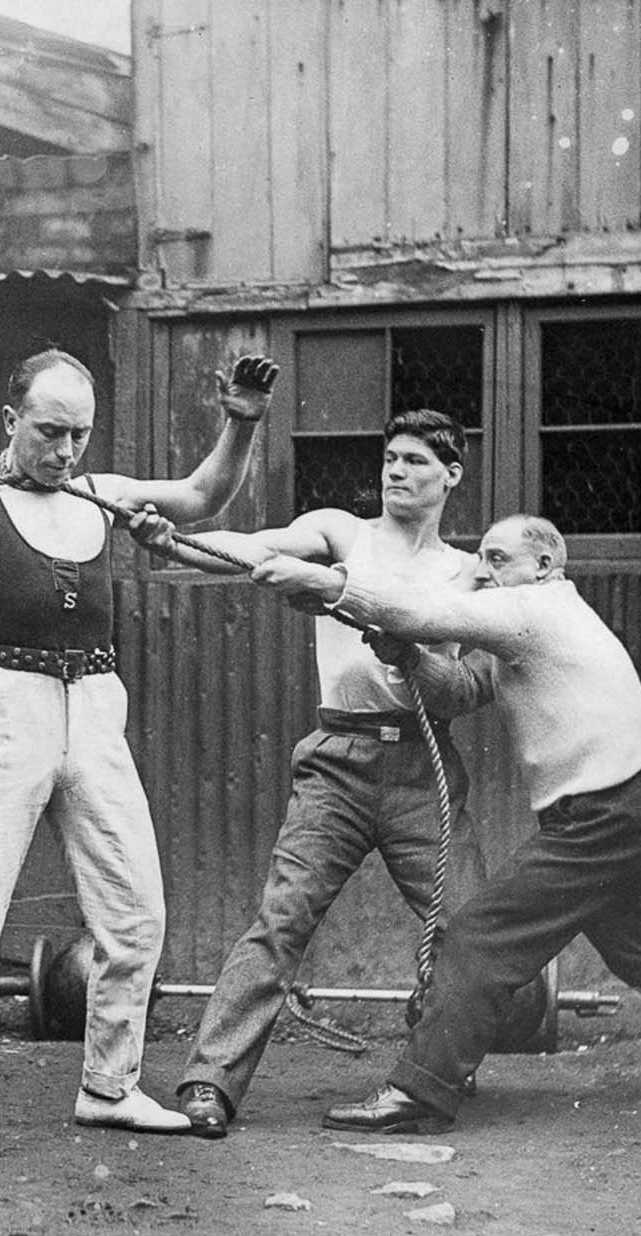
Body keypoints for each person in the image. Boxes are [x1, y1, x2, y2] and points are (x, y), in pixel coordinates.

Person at [0, 309, 277, 1150]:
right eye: (50, 432)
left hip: (98, 707)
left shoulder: (100, 496)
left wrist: (240, 425)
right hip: (9, 702)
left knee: (136, 911)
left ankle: (110, 1084)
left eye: (80, 435)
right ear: (11, 421)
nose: (67, 452)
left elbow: (205, 496)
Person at [246, 513, 641, 1133]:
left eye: (499, 559)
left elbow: (418, 612)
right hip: (630, 812)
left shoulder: (532, 609)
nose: (484, 570)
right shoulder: (530, 624)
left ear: (545, 565)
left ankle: (421, 1092)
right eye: (482, 558)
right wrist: (412, 660)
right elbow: (459, 690)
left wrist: (330, 585)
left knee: (477, 934)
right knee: (640, 956)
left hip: (600, 818)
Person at [130, 409, 488, 1138]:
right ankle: (208, 1084)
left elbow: (466, 686)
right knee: (281, 922)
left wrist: (417, 657)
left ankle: (437, 1065)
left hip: (424, 771)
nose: (396, 471)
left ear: (451, 476)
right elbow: (251, 547)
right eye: (390, 457)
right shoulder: (340, 534)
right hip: (340, 762)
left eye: (417, 461)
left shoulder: (469, 573)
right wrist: (176, 541)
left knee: (473, 926)